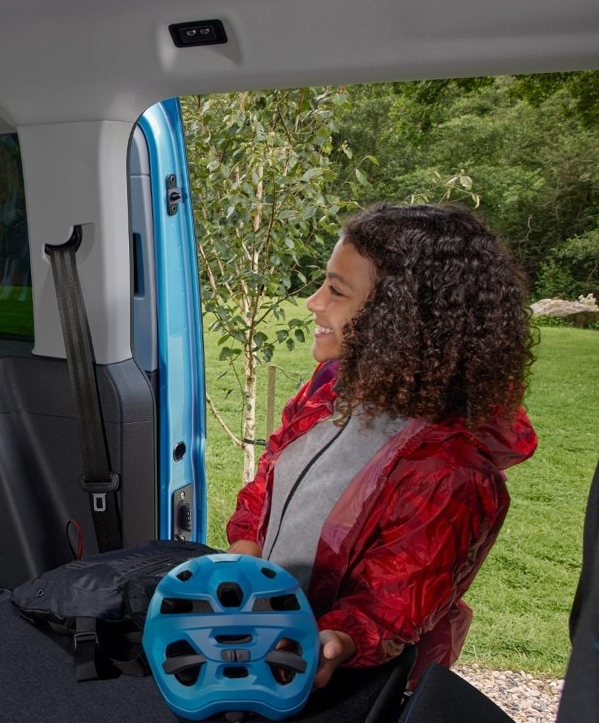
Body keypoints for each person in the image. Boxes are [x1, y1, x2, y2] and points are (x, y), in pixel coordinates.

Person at [226, 202, 537, 688]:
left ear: (401, 317)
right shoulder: (332, 386)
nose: (313, 302)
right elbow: (272, 474)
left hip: (341, 679)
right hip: (265, 635)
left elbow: (394, 602)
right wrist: (247, 549)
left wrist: (339, 639)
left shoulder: (449, 471)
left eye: (336, 290)